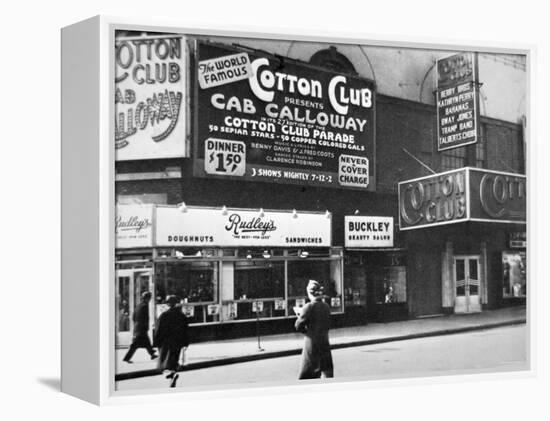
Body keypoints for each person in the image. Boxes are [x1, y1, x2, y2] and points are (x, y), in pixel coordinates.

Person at [295, 280, 334, 380]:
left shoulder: (308, 307)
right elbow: (329, 323)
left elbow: (298, 326)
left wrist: (307, 332)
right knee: (326, 371)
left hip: (312, 343)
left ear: (309, 293)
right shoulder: (326, 307)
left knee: (307, 372)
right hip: (324, 342)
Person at [153, 295, 190, 388]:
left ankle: (170, 374)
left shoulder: (164, 315)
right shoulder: (181, 315)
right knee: (174, 360)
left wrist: (156, 342)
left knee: (165, 361)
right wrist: (186, 342)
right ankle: (173, 376)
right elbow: (186, 330)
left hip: (166, 342)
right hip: (177, 342)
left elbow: (159, 330)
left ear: (167, 304)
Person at [123, 291, 157, 363]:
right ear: (147, 298)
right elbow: (145, 318)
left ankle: (152, 354)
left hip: (137, 327)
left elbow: (133, 317)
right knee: (135, 344)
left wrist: (137, 324)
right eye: (149, 298)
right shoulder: (145, 306)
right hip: (141, 328)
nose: (150, 299)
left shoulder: (138, 305)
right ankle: (126, 358)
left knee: (146, 342)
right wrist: (145, 326)